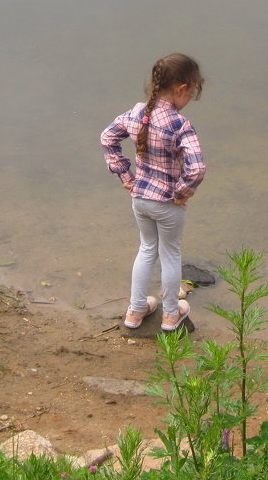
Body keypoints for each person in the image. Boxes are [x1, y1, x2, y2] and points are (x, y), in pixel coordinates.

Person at [100, 53, 206, 332]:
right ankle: (171, 314)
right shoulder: (179, 125)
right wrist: (182, 193)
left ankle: (135, 311)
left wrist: (126, 175)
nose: (189, 100)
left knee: (147, 249)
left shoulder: (137, 113)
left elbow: (107, 138)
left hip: (140, 199)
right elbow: (196, 169)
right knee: (170, 254)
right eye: (191, 93)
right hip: (168, 203)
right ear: (181, 89)